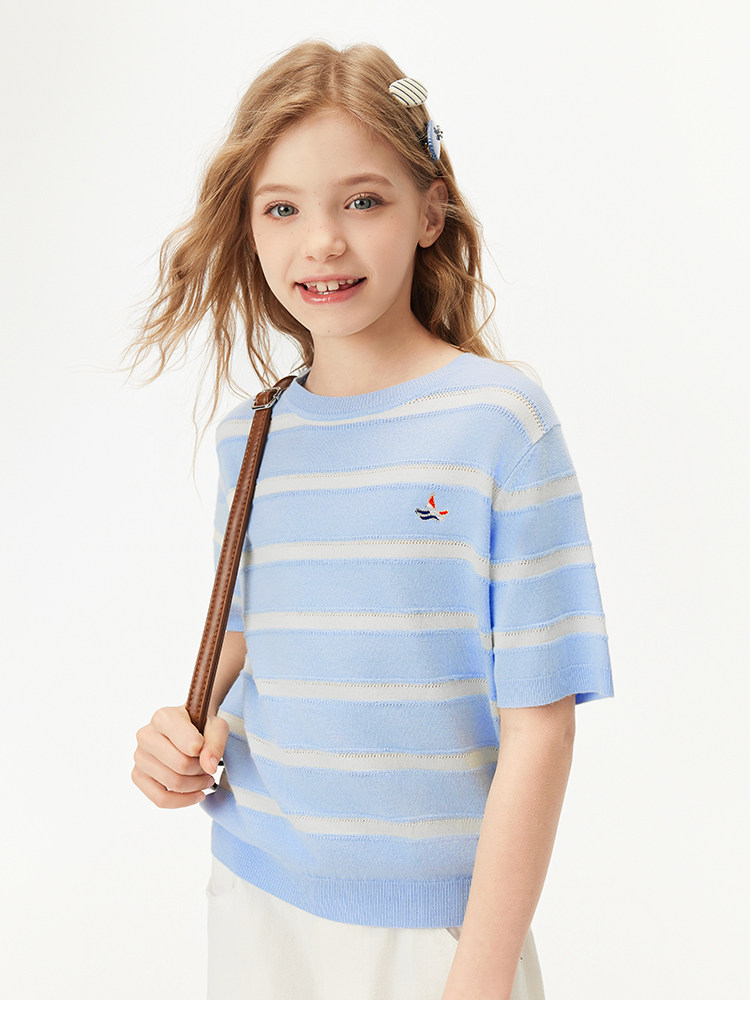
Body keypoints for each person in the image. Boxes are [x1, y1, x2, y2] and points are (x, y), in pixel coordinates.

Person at [128, 39, 614, 1000]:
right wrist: (177, 731)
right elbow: (252, 633)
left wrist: (480, 971)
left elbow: (542, 729)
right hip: (258, 897)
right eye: (282, 208)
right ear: (249, 227)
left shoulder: (498, 423)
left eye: (363, 200)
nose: (322, 242)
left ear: (430, 211)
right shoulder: (252, 434)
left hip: (439, 931)